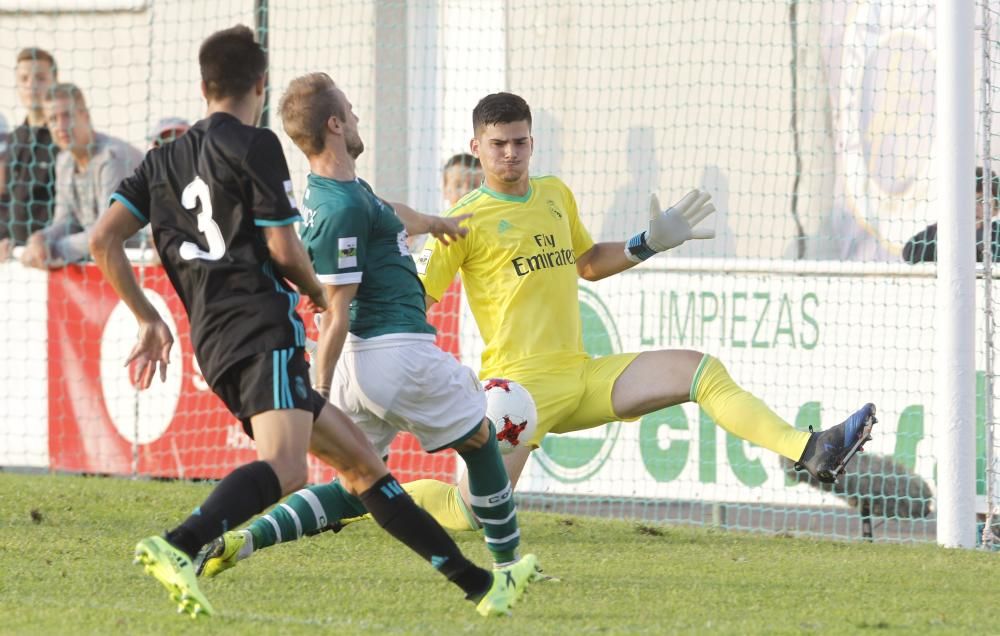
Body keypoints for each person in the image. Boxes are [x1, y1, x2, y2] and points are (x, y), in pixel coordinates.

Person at [200, 92, 877, 567]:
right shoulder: (464, 218)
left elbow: (588, 263)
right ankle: (324, 510)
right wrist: (334, 301)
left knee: (698, 369)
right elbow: (414, 294)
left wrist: (649, 242)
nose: (513, 153)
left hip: (580, 376)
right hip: (514, 395)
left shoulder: (554, 194)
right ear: (477, 146)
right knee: (470, 511)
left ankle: (809, 450)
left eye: (522, 141)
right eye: (499, 144)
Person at [89, 27, 531, 619]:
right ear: (260, 85)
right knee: (289, 467)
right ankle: (179, 544)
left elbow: (102, 240)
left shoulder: (161, 159)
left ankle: (482, 586)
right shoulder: (256, 146)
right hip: (261, 327)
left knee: (364, 471)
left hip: (214, 338)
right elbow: (282, 249)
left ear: (203, 86)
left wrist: (146, 317)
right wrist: (318, 291)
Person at [198, 73, 543, 614]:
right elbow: (335, 310)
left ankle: (242, 542)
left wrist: (434, 222)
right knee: (481, 437)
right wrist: (319, 393)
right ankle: (509, 568)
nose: (358, 118)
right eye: (351, 112)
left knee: (358, 480)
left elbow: (384, 211)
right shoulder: (340, 209)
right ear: (334, 124)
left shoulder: (335, 190)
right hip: (392, 350)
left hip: (368, 363)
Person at [21, 83, 142, 269]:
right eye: (53, 119)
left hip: (138, 267)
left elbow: (106, 232)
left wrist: (52, 249)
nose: (60, 126)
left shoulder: (112, 158)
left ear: (85, 116)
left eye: (67, 116)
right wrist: (41, 239)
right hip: (100, 266)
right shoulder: (64, 161)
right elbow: (66, 221)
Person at [0, 48, 59, 261]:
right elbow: (6, 200)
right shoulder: (14, 138)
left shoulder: (63, 139)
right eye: (24, 78)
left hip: (51, 257)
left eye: (40, 78)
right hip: (14, 259)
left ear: (55, 82)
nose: (31, 85)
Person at [902, 167, 1000, 263]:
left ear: (996, 209)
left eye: (982, 201)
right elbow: (909, 254)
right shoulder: (943, 231)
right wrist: (943, 228)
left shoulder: (996, 235)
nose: (974, 207)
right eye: (967, 200)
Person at [407, 152, 482, 252]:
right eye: (458, 185)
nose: (465, 192)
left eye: (473, 185)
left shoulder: (492, 226)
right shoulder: (432, 235)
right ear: (445, 190)